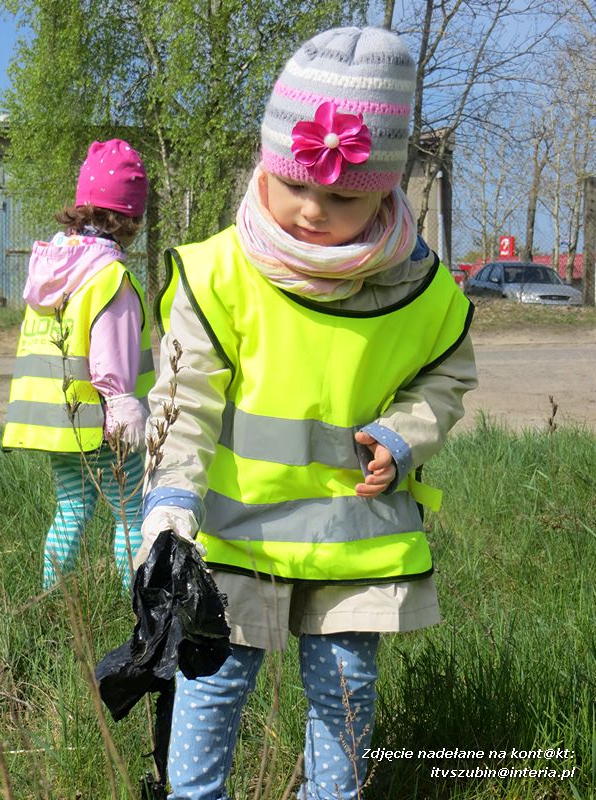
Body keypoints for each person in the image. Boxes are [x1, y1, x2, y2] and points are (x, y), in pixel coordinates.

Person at [138, 26, 477, 800]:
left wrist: (406, 434)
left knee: (346, 698)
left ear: (386, 189)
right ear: (267, 161)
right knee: (213, 684)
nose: (313, 210)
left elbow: (446, 377)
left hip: (354, 548)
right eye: (296, 183)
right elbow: (183, 405)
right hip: (229, 534)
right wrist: (168, 508)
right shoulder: (219, 274)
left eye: (342, 196)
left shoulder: (420, 291)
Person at [2, 139, 155, 590]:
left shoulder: (51, 270)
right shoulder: (111, 277)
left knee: (71, 508)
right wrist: (126, 411)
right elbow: (113, 360)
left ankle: (53, 593)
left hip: (57, 424)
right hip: (105, 424)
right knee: (130, 514)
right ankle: (136, 607)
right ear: (131, 218)